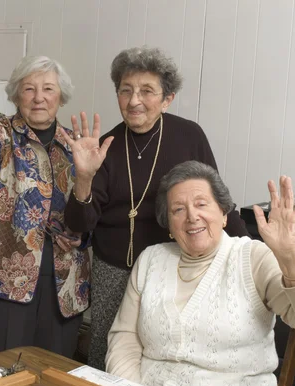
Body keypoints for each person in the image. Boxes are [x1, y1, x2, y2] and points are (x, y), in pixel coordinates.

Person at [62, 47, 250, 369]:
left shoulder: (189, 136)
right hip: (115, 271)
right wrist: (83, 177)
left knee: (166, 357)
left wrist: (249, 257)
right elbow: (80, 224)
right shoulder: (104, 146)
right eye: (126, 90)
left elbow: (217, 202)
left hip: (176, 269)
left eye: (147, 91)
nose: (134, 100)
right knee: (110, 355)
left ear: (167, 99)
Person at [104, 160, 295, 386]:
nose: (192, 216)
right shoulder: (151, 260)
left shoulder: (253, 258)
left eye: (201, 204)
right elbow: (125, 340)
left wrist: (289, 255)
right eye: (178, 209)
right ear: (170, 226)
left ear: (224, 214)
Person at [0, 46, 91, 358]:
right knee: (2, 370)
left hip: (64, 281)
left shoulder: (77, 144)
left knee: (53, 374)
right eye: (29, 89)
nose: (38, 97)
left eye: (48, 89)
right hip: (2, 279)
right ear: (16, 95)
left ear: (61, 96)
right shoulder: (1, 132)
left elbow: (92, 207)